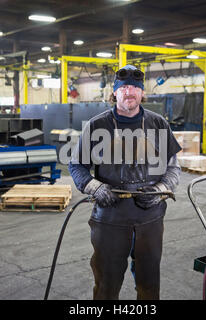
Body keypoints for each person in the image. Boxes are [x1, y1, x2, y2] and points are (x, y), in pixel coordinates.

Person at [68, 65, 181, 300]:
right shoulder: (97, 126)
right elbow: (76, 165)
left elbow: (173, 167)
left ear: (141, 93)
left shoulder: (158, 124)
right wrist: (95, 187)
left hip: (150, 219)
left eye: (134, 88)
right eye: (124, 88)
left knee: (149, 286)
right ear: (115, 92)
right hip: (110, 218)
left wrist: (160, 190)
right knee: (106, 286)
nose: (129, 92)